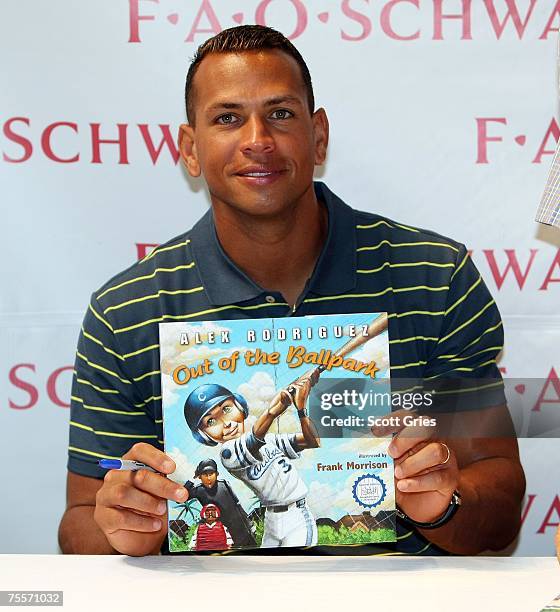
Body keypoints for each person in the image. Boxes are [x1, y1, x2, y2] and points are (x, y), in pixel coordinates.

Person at [58, 24, 525, 557]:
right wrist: (123, 527)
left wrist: (447, 504)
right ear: (190, 149)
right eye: (227, 118)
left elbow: (502, 505)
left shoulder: (436, 278)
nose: (257, 139)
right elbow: (78, 524)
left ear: (318, 135)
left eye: (280, 113)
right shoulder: (124, 312)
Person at [184, 379, 320, 548]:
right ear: (204, 435)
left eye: (226, 409)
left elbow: (312, 441)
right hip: (272, 519)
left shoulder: (270, 440)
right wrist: (272, 412)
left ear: (239, 406)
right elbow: (254, 440)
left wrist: (301, 409)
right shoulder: (228, 453)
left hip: (297, 515)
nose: (226, 423)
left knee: (296, 566)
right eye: (211, 422)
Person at [184, 458, 256, 547]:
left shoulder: (224, 484)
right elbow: (181, 498)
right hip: (222, 533)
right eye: (205, 475)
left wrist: (249, 523)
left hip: (241, 528)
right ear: (199, 476)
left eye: (211, 474)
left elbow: (237, 504)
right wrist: (193, 478)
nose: (208, 478)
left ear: (217, 474)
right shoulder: (199, 490)